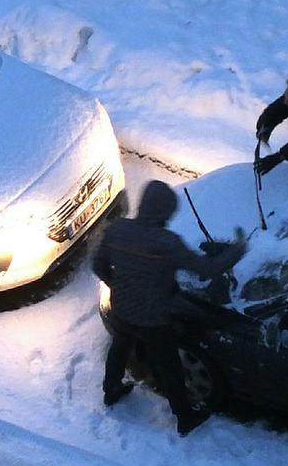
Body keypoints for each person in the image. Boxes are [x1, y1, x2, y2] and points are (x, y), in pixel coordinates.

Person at [91, 180, 246, 436]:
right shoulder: (167, 243)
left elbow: (98, 265)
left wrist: (116, 283)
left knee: (119, 348)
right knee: (169, 366)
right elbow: (208, 269)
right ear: (165, 212)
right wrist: (238, 250)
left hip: (123, 308)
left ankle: (111, 389)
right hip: (154, 318)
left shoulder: (118, 230)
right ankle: (185, 417)